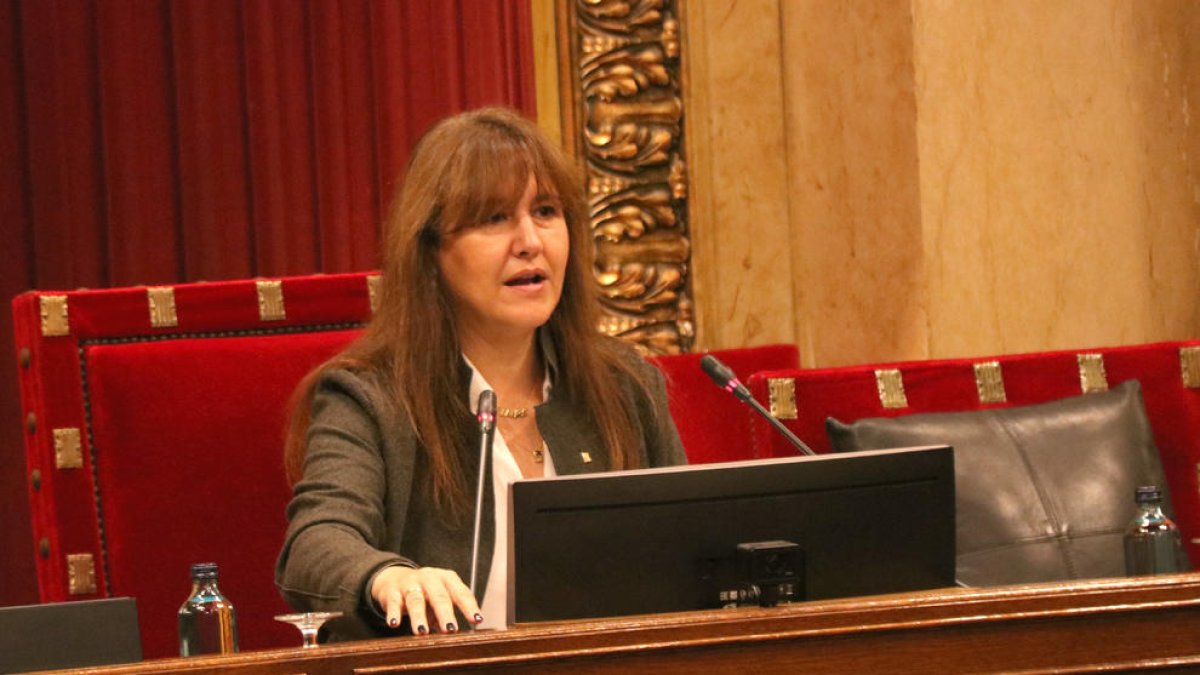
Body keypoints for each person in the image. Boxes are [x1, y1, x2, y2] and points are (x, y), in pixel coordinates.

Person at [274, 107, 687, 641]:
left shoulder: (626, 387)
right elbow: (316, 544)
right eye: (495, 218)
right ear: (431, 253)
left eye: (545, 211)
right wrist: (388, 575)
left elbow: (686, 548)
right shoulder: (369, 398)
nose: (529, 241)